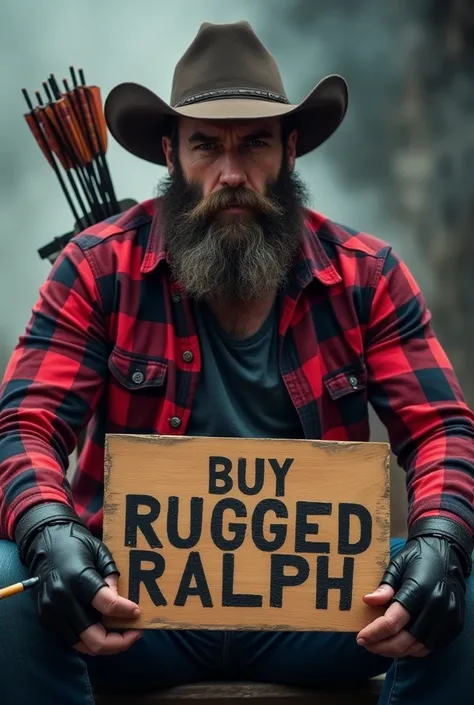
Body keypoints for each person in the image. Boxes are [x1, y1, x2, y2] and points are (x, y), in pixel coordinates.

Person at [0, 20, 473, 705]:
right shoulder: (98, 266)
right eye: (205, 146)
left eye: (253, 143)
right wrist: (50, 532)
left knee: (460, 578)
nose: (230, 173)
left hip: (327, 614)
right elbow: (24, 425)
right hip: (131, 609)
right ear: (170, 153)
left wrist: (439, 540)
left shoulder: (368, 275)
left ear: (290, 148)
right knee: (11, 582)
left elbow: (443, 432)